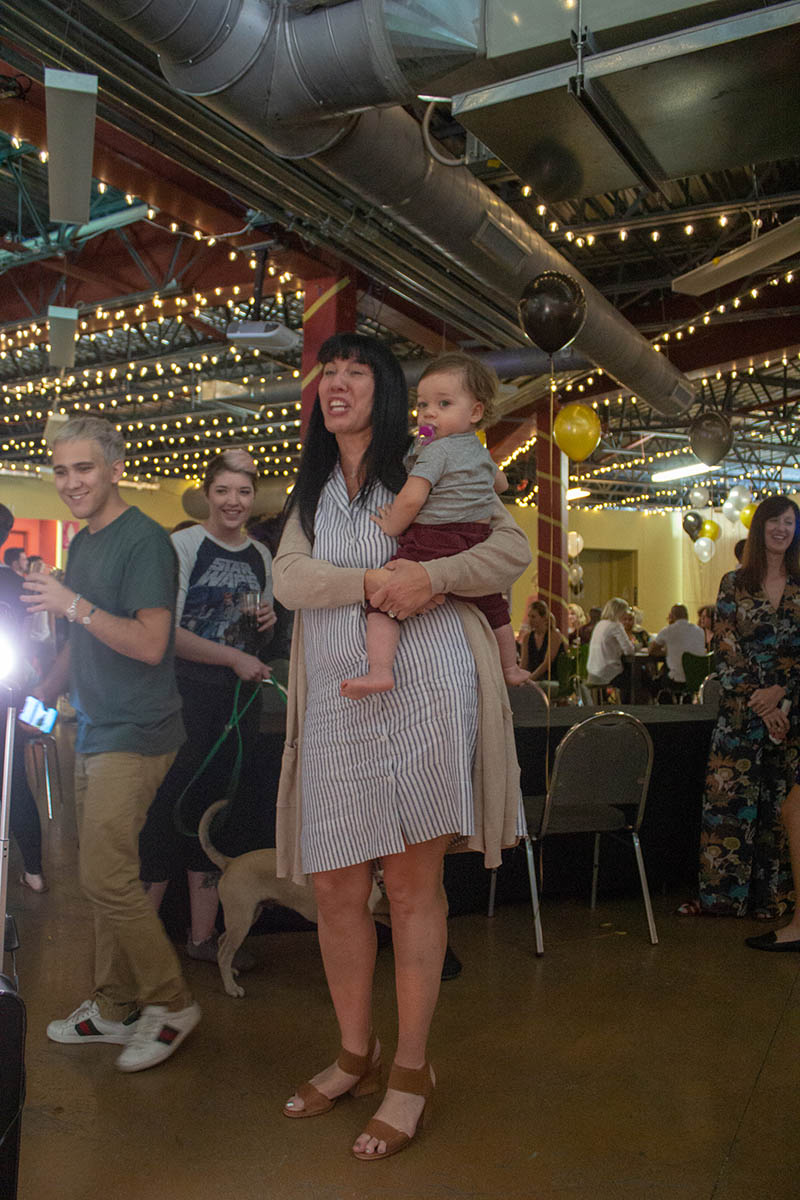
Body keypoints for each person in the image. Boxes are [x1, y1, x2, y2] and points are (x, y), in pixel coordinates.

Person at [272, 332, 530, 1160]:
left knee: (414, 888)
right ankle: (357, 1054)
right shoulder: (312, 489)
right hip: (337, 705)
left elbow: (511, 549)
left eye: (356, 371)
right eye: (328, 372)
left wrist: (435, 577)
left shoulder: (435, 466)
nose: (336, 383)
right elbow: (288, 580)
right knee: (336, 887)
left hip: (426, 692)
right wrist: (376, 581)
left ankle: (411, 1070)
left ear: (386, 392)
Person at [21, 416, 200, 1072]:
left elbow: (151, 644)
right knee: (104, 876)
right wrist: (41, 700)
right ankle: (114, 1005)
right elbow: (81, 640)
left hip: (137, 731)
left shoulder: (145, 541)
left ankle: (172, 1003)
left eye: (84, 468)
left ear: (115, 469)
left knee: (104, 875)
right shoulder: (85, 543)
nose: (71, 482)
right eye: (61, 470)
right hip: (95, 726)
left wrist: (71, 605)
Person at [138, 449, 276, 965]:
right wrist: (234, 657)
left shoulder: (260, 555)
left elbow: (257, 634)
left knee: (214, 816)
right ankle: (141, 952)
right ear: (207, 494)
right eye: (223, 491)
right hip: (184, 696)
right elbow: (165, 634)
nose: (233, 501)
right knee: (165, 812)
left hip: (237, 704)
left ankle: (203, 939)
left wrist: (266, 627)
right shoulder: (184, 545)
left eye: (243, 492)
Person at [340, 352, 529, 698]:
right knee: (494, 606)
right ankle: (510, 668)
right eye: (423, 404)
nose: (428, 413)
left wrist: (392, 524)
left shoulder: (436, 452)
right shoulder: (479, 451)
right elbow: (500, 484)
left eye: (443, 404)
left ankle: (380, 670)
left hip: (433, 538)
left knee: (383, 604)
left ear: (475, 412)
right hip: (475, 538)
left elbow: (412, 498)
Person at [679, 495, 800, 927]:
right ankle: (723, 899)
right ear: (759, 526)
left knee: (779, 809)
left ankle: (774, 900)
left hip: (790, 715)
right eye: (775, 521)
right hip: (740, 715)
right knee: (731, 807)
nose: (782, 529)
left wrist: (781, 691)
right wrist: (762, 701)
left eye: (790, 522)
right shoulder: (733, 583)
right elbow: (726, 647)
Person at [0, 505, 47, 893]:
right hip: (12, 690)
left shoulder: (20, 585)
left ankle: (32, 869)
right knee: (13, 778)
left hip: (11, 692)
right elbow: (41, 640)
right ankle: (33, 870)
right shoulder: (21, 586)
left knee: (13, 779)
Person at [648, 604, 706, 688]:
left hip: (676, 680)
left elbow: (651, 650)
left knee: (652, 682)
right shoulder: (700, 631)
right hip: (697, 679)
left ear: (672, 616)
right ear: (687, 616)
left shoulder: (668, 631)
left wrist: (667, 652)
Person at [586, 597, 634, 690]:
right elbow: (629, 650)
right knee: (634, 678)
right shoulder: (616, 626)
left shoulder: (600, 624)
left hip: (593, 671)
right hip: (607, 672)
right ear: (619, 612)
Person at [519, 599, 567, 682]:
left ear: (543, 618)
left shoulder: (554, 635)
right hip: (533, 679)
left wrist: (530, 680)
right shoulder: (527, 637)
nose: (530, 620)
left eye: (533, 617)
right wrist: (519, 678)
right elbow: (524, 663)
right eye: (529, 616)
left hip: (551, 680)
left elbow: (546, 664)